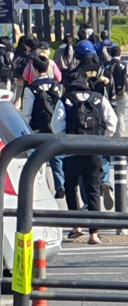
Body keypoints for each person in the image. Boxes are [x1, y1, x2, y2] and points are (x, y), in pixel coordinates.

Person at [51, 75, 117, 244]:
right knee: (93, 190)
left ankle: (76, 227)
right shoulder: (98, 98)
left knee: (71, 187)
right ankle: (94, 234)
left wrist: (67, 141)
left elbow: (56, 126)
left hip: (72, 151)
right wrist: (101, 140)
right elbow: (112, 122)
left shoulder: (66, 100)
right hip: (93, 151)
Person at [21, 56, 66, 198]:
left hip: (37, 129)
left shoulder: (31, 89)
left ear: (34, 70)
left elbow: (26, 113)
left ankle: (39, 189)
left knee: (37, 160)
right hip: (55, 129)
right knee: (57, 158)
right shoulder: (57, 86)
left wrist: (25, 129)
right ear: (48, 68)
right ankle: (60, 185)